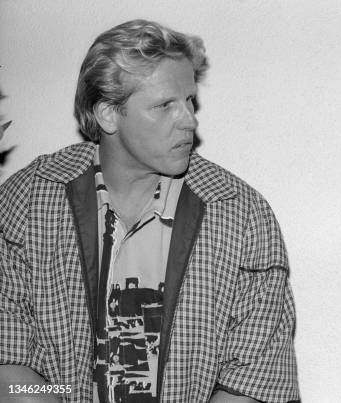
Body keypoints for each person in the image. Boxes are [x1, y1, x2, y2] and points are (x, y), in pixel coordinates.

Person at [0, 20, 299, 402]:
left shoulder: (240, 215)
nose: (189, 119)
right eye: (164, 105)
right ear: (108, 113)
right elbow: (11, 363)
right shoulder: (28, 200)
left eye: (190, 100)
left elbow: (253, 383)